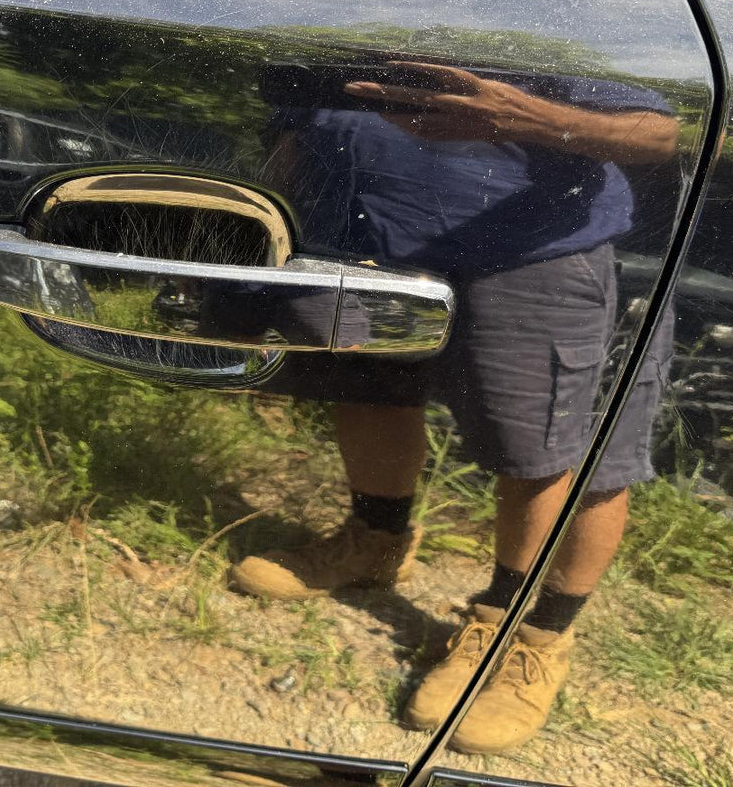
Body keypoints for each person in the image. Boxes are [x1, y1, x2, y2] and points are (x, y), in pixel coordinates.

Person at [230, 61, 679, 754]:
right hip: (356, 234)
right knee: (369, 393)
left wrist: (531, 119)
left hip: (531, 252)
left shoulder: (570, 11)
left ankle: (524, 635)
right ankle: (375, 544)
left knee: (540, 453)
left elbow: (658, 134)